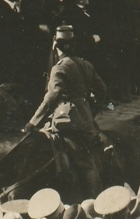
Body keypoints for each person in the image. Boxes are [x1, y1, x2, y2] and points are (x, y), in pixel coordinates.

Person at [24, 25, 110, 197]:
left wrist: (32, 122)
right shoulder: (85, 64)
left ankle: (94, 198)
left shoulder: (59, 68)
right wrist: (90, 108)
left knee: (85, 163)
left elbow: (51, 97)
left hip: (68, 122)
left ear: (56, 45)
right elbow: (103, 91)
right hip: (84, 118)